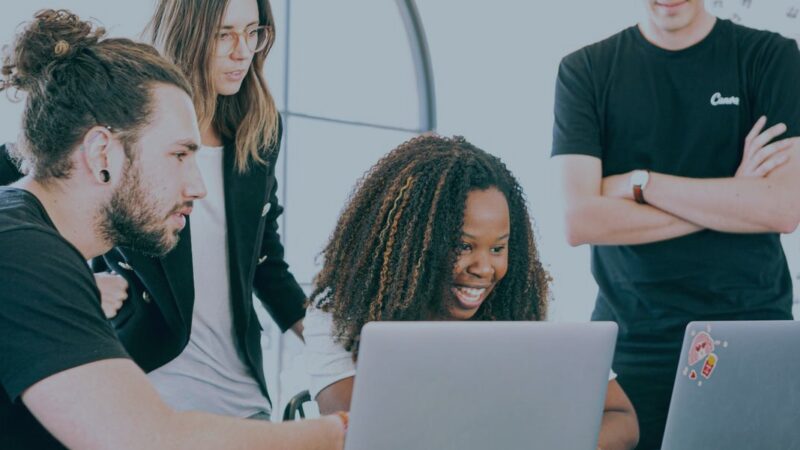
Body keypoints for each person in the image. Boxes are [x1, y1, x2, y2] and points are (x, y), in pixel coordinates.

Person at [0, 10, 345, 449]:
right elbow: (148, 438)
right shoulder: (23, 253)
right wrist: (340, 431)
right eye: (180, 155)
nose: (199, 187)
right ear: (101, 152)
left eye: (253, 33)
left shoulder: (30, 242)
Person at [551, 1, 800, 448]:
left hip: (749, 335)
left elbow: (781, 208)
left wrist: (639, 183)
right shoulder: (585, 70)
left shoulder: (771, 57)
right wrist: (731, 195)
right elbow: (580, 219)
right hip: (630, 347)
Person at [303, 135, 640, 450]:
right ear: (415, 242)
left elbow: (623, 420)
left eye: (498, 248)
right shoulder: (340, 312)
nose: (483, 268)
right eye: (463, 245)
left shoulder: (527, 306)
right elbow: (361, 438)